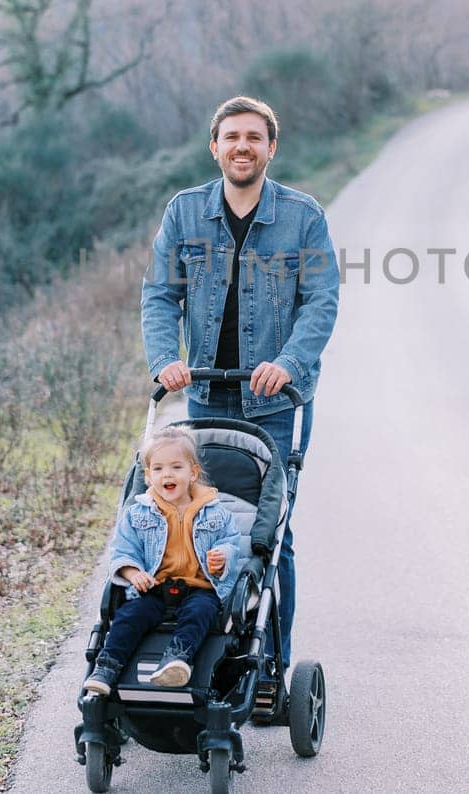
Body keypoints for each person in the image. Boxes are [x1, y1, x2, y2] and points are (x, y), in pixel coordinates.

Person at [141, 94, 339, 684]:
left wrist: (290, 362)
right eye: (232, 137)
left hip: (273, 404)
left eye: (254, 138)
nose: (242, 147)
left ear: (271, 148)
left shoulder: (302, 217)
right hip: (203, 396)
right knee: (195, 522)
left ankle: (271, 664)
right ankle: (197, 654)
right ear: (215, 147)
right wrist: (163, 360)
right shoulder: (184, 213)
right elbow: (159, 295)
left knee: (268, 535)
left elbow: (320, 301)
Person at [83, 425, 244, 694]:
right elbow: (124, 550)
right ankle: (107, 667)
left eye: (176, 467)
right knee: (129, 616)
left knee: (200, 613)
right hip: (154, 588)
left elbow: (231, 542)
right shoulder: (137, 514)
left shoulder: (216, 512)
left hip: (199, 587)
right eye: (158, 469)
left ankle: (177, 660)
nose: (166, 474)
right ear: (147, 476)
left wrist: (223, 557)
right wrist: (133, 573)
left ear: (193, 473)